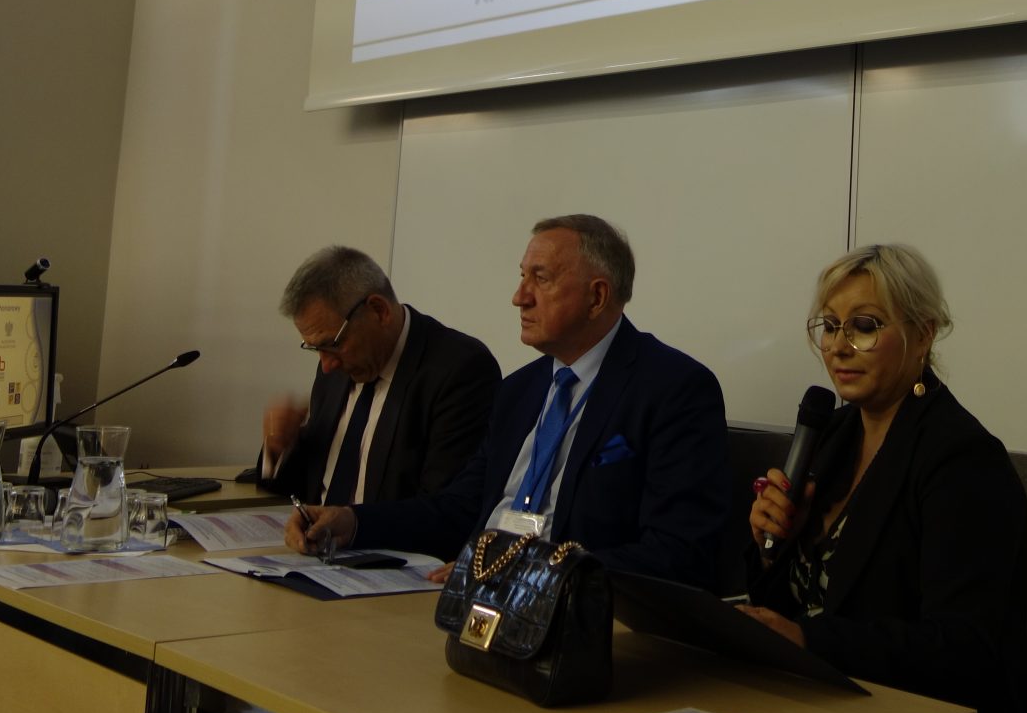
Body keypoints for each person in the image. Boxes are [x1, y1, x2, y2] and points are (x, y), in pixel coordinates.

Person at [741, 243, 1027, 713]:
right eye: (830, 326)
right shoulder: (831, 438)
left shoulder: (962, 461)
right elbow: (791, 604)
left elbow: (963, 648)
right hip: (817, 711)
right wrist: (771, 547)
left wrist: (809, 640)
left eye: (865, 326)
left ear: (923, 336)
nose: (839, 346)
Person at [288, 215, 731, 590]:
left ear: (597, 297)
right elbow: (459, 507)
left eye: (541, 278)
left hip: (572, 613)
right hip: (476, 596)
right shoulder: (520, 390)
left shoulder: (674, 389)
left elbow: (678, 551)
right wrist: (353, 523)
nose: (520, 296)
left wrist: (531, 572)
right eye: (522, 277)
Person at [259, 245, 499, 507]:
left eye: (333, 344)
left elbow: (444, 508)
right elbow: (308, 483)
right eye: (316, 348)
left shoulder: (460, 370)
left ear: (379, 310)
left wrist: (350, 524)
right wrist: (280, 445)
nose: (326, 365)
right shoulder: (338, 367)